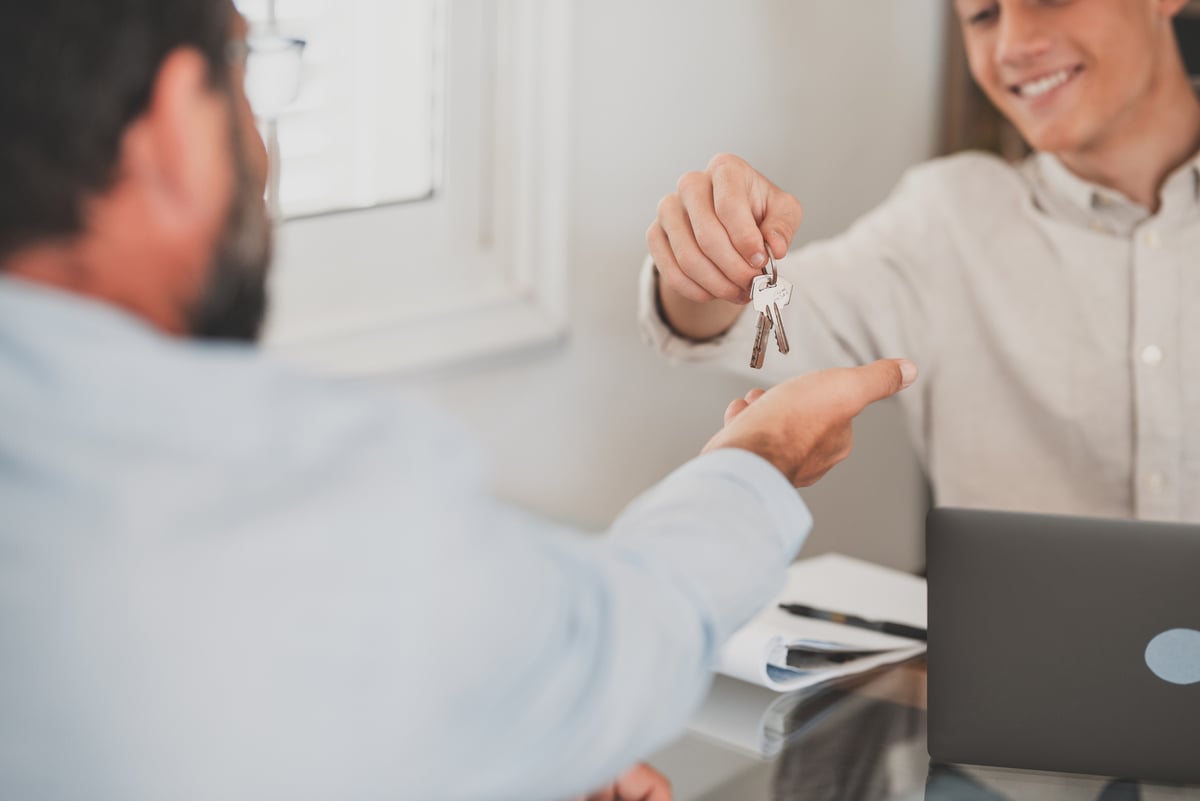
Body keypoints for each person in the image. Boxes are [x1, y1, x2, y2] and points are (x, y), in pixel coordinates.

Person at [0, 2, 918, 800]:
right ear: (171, 127)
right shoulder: (298, 486)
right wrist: (758, 460)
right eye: (241, 66)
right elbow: (599, 644)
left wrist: (488, 743)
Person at [642, 0, 1200, 523]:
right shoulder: (944, 222)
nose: (1010, 45)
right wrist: (710, 253)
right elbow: (726, 316)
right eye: (982, 15)